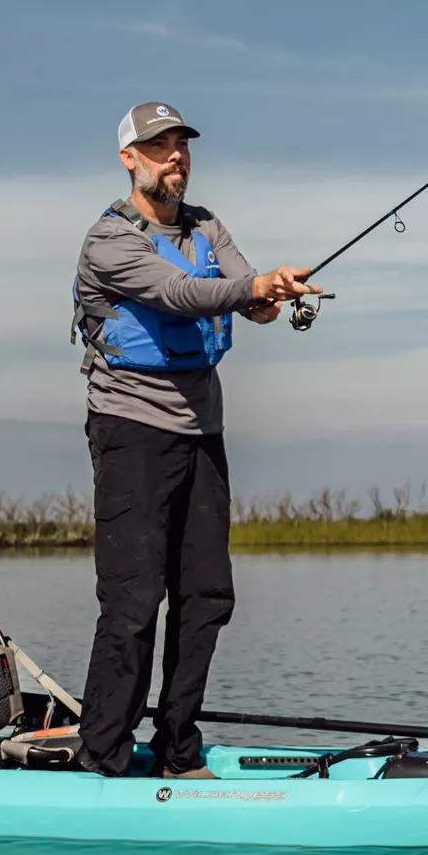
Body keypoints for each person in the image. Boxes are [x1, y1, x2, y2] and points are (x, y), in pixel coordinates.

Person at [69, 102, 318, 778]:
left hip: (202, 430)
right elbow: (180, 294)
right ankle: (104, 757)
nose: (174, 156)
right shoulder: (109, 241)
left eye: (181, 145)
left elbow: (243, 293)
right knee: (133, 599)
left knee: (206, 595)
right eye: (158, 146)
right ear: (129, 158)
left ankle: (180, 749)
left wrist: (268, 297)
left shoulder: (208, 225)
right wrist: (249, 287)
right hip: (130, 430)